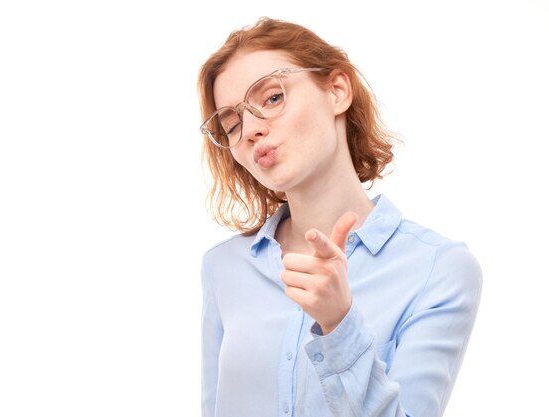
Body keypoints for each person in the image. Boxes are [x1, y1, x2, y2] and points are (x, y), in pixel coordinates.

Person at [197, 17, 482, 417]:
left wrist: (339, 324)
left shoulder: (438, 268)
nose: (250, 131)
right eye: (231, 124)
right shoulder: (223, 267)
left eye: (273, 98)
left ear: (337, 91)